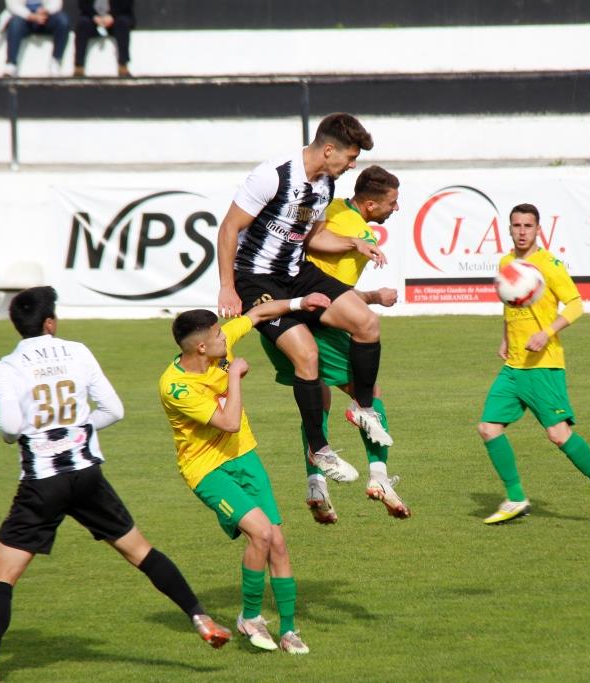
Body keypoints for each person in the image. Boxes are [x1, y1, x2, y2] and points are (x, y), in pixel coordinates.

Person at [0, 286, 230, 683]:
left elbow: (9, 426)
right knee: (141, 551)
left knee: (2, 574)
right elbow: (113, 410)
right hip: (87, 475)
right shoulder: (78, 351)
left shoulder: (6, 367)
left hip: (42, 484)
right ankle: (200, 617)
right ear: (50, 322)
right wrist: (77, 428)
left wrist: (31, 435)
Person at [215, 112, 391, 488]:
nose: (353, 165)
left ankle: (362, 409)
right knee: (307, 355)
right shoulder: (272, 175)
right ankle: (319, 449)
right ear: (329, 150)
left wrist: (353, 243)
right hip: (255, 278)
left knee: (367, 323)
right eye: (350, 157)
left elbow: (309, 238)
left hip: (296, 273)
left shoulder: (324, 186)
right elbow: (230, 227)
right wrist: (227, 286)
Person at [158, 292, 333, 655]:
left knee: (279, 543)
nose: (227, 338)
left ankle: (288, 631)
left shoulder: (220, 345)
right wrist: (235, 375)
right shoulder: (175, 387)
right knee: (262, 533)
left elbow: (257, 315)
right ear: (202, 347)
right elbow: (229, 422)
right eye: (219, 336)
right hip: (207, 469)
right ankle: (249, 617)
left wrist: (301, 302)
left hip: (245, 459)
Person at [258, 165, 410, 524]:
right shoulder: (355, 231)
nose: (397, 208)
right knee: (367, 392)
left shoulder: (332, 210)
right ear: (371, 205)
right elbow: (330, 293)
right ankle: (379, 479)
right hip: (312, 322)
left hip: (277, 315)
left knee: (318, 398)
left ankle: (316, 485)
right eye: (393, 202)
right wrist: (374, 296)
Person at [478, 204, 590, 526]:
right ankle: (515, 497)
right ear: (510, 228)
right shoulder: (506, 263)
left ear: (538, 229)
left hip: (544, 365)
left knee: (558, 435)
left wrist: (547, 333)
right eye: (516, 225)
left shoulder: (548, 264)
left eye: (528, 225)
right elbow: (510, 306)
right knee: (488, 429)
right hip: (514, 367)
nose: (522, 231)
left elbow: (575, 305)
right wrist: (505, 338)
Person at [0, 0, 71, 78]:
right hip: (23, 17)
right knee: (15, 24)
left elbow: (56, 3)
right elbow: (13, 5)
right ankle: (11, 64)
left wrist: (46, 11)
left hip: (45, 17)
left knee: (62, 21)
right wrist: (30, 16)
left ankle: (56, 62)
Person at [73, 0, 135, 77]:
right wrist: (94, 16)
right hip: (93, 18)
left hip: (116, 17)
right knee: (83, 24)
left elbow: (126, 4)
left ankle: (123, 65)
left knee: (122, 24)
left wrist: (112, 15)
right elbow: (83, 4)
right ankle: (79, 67)